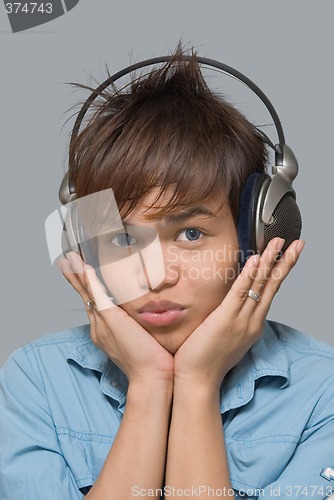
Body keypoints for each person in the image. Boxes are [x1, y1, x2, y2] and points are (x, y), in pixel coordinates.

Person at [1, 46, 334, 500]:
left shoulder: (324, 392)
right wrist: (149, 384)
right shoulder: (36, 378)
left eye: (191, 234)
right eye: (121, 239)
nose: (155, 278)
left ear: (257, 233)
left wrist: (197, 385)